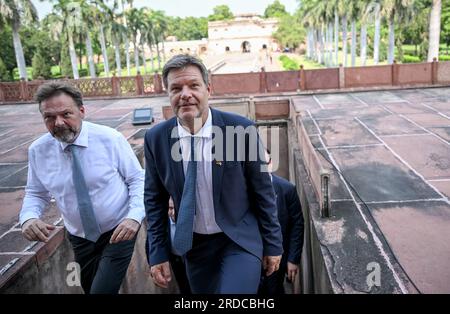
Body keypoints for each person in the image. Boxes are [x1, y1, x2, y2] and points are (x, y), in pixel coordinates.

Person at [144, 54, 283, 294]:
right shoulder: (156, 139)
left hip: (239, 240)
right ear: (167, 94)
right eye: (176, 88)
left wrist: (273, 244)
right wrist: (157, 252)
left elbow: (263, 191)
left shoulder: (240, 130)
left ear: (209, 89)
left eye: (193, 85)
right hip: (194, 246)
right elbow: (154, 201)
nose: (185, 94)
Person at [19, 82, 145, 294]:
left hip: (119, 230)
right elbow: (35, 192)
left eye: (66, 113)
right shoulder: (38, 151)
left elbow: (137, 179)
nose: (58, 123)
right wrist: (29, 217)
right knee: (89, 287)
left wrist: (134, 217)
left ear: (82, 111)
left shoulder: (110, 139)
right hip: (79, 238)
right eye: (49, 117)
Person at [258, 150, 304, 294]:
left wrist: (293, 259)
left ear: (271, 163)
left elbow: (297, 225)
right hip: (251, 260)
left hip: (278, 260)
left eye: (264, 163)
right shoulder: (243, 190)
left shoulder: (287, 189)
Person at [168, 198, 192, 294]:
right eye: (170, 208)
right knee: (184, 287)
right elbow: (150, 244)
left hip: (192, 258)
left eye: (175, 208)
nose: (173, 213)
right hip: (176, 260)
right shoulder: (161, 223)